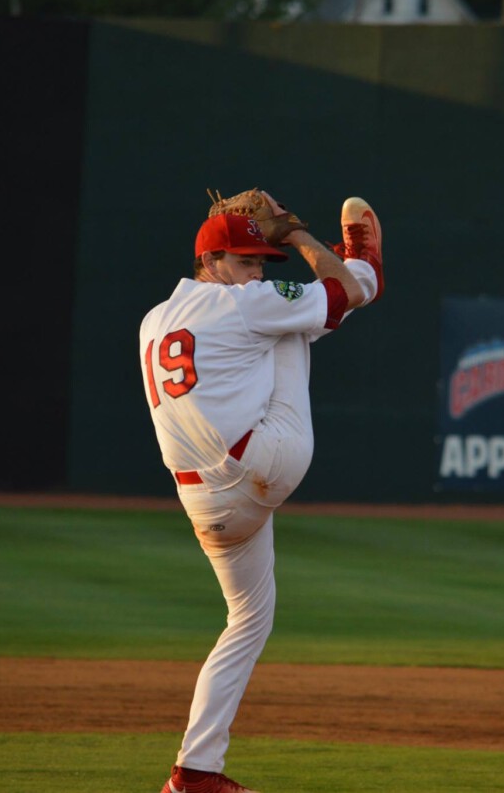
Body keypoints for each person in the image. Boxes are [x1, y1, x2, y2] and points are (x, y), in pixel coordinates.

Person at [139, 191, 384, 793]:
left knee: (247, 621)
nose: (255, 272)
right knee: (300, 326)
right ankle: (366, 265)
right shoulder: (245, 306)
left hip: (204, 503)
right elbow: (337, 298)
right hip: (268, 462)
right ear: (213, 260)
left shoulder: (155, 318)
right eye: (247, 260)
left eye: (260, 262)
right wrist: (301, 239)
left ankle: (195, 771)